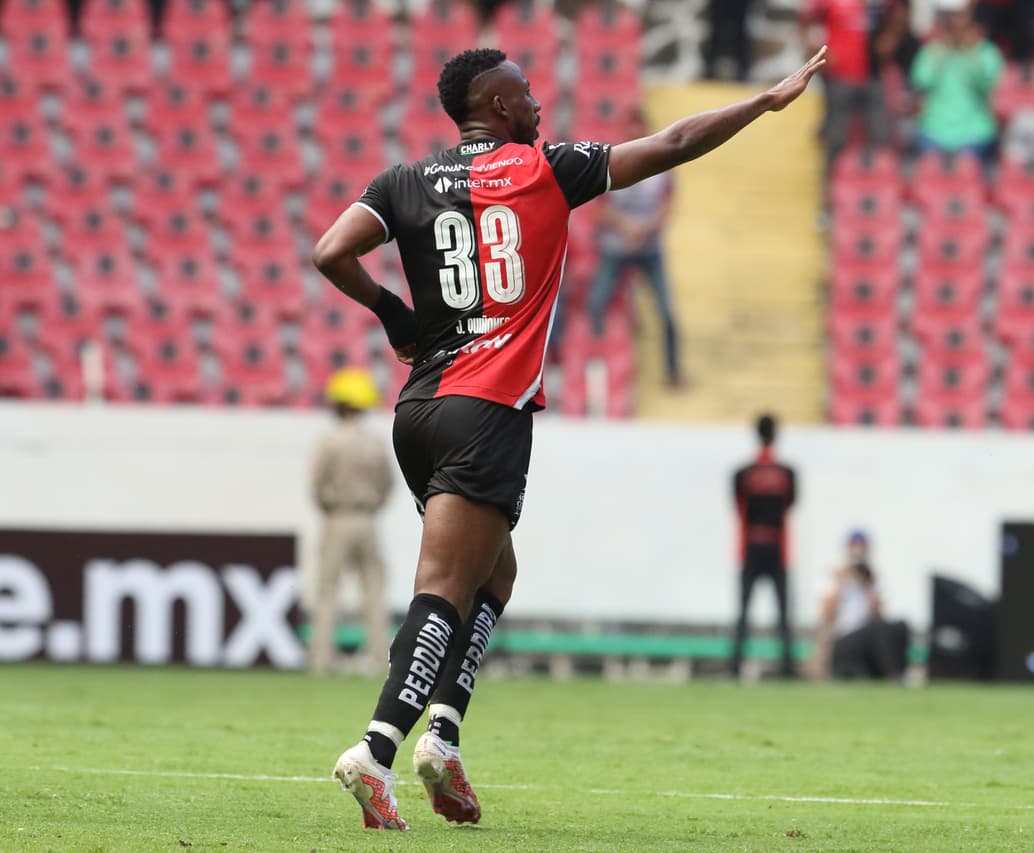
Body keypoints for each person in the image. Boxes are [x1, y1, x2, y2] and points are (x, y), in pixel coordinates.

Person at [311, 45, 829, 830]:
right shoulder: (544, 169)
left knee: (495, 573)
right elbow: (675, 143)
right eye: (524, 92)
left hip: (418, 414)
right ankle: (376, 751)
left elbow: (330, 251)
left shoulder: (402, 182)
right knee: (445, 588)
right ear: (496, 105)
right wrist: (762, 103)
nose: (537, 103)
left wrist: (393, 316)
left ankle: (442, 737)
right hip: (488, 410)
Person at [308, 368, 395, 676]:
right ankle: (381, 660)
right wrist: (372, 505)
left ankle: (320, 661)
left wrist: (331, 506)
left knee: (327, 592)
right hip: (368, 520)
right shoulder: (375, 443)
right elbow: (388, 484)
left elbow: (317, 485)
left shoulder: (330, 441)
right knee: (374, 592)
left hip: (338, 518)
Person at [586, 109, 681, 388]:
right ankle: (597, 362)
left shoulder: (662, 167)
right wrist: (625, 227)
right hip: (616, 247)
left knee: (667, 312)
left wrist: (645, 229)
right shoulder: (610, 162)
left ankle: (673, 372)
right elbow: (598, 209)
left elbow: (667, 207)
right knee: (596, 304)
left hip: (649, 248)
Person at [800, 0, 914, 172]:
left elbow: (899, 14)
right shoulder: (831, 3)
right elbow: (805, 18)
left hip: (872, 76)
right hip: (840, 77)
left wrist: (892, 38)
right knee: (836, 135)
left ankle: (878, 180)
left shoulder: (878, 4)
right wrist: (813, 51)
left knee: (880, 134)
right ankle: (830, 182)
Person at [728, 414, 798, 679]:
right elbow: (791, 505)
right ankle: (787, 667)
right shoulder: (787, 474)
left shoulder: (742, 474)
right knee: (783, 613)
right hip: (778, 548)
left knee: (743, 612)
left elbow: (738, 508)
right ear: (775, 435)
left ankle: (735, 665)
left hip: (750, 548)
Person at [910, 1, 1005, 164]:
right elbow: (921, 81)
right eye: (953, 23)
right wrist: (940, 53)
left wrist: (972, 54)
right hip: (935, 129)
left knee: (967, 168)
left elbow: (987, 86)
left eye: (964, 23)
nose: (958, 29)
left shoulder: (987, 52)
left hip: (974, 131)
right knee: (929, 168)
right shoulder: (933, 50)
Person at [815, 531, 907, 680]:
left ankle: (900, 673)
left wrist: (868, 586)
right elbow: (827, 615)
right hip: (843, 639)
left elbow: (878, 615)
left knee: (900, 626)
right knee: (878, 629)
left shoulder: (872, 580)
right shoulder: (834, 577)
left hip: (868, 636)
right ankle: (893, 675)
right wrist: (842, 582)